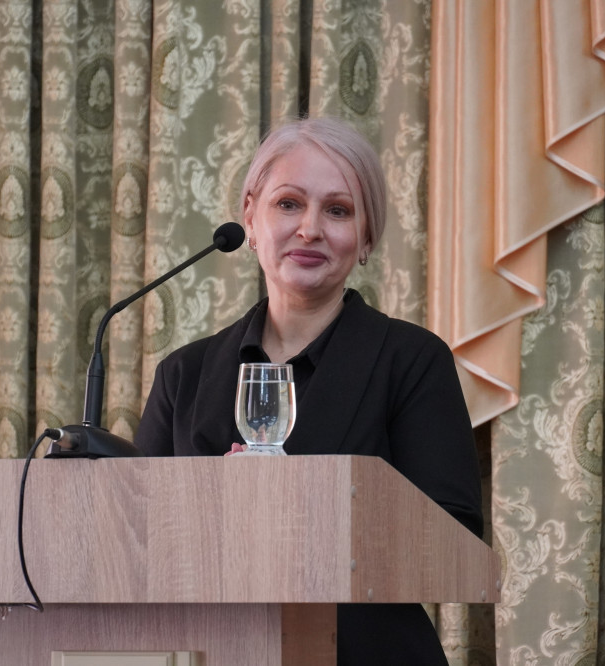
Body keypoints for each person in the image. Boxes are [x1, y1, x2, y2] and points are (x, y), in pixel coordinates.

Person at [135, 116, 482, 665]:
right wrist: (215, 505)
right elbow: (137, 541)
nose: (310, 229)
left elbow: (453, 543)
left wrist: (298, 506)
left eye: (338, 210)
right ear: (251, 217)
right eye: (289, 203)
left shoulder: (412, 360)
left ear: (367, 237)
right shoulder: (184, 374)